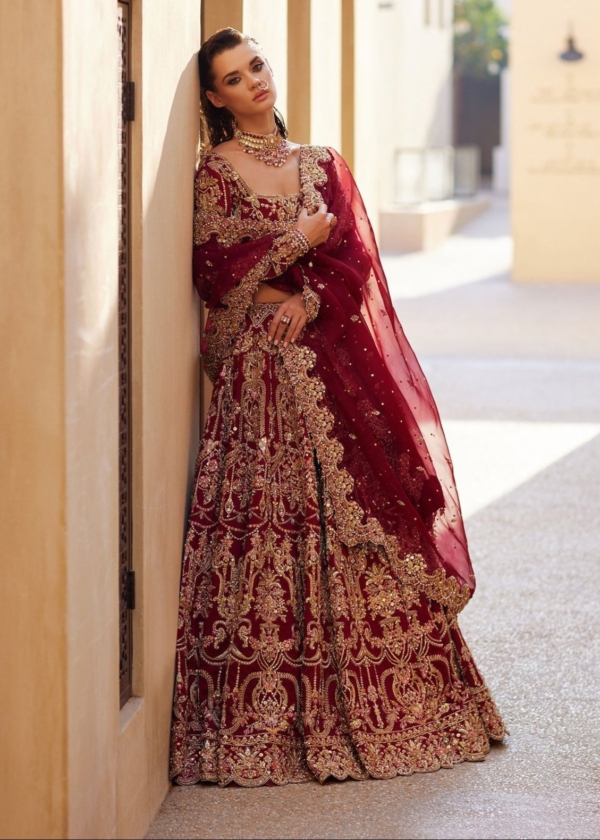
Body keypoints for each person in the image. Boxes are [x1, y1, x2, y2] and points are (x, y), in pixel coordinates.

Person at [169, 27, 505, 788]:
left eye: (256, 64)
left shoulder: (322, 163)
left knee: (363, 514)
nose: (254, 81)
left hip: (330, 362)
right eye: (233, 77)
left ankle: (396, 705)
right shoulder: (213, 175)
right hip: (262, 382)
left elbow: (358, 264)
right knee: (275, 528)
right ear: (215, 99)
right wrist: (296, 240)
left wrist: (314, 293)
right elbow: (213, 271)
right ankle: (270, 712)